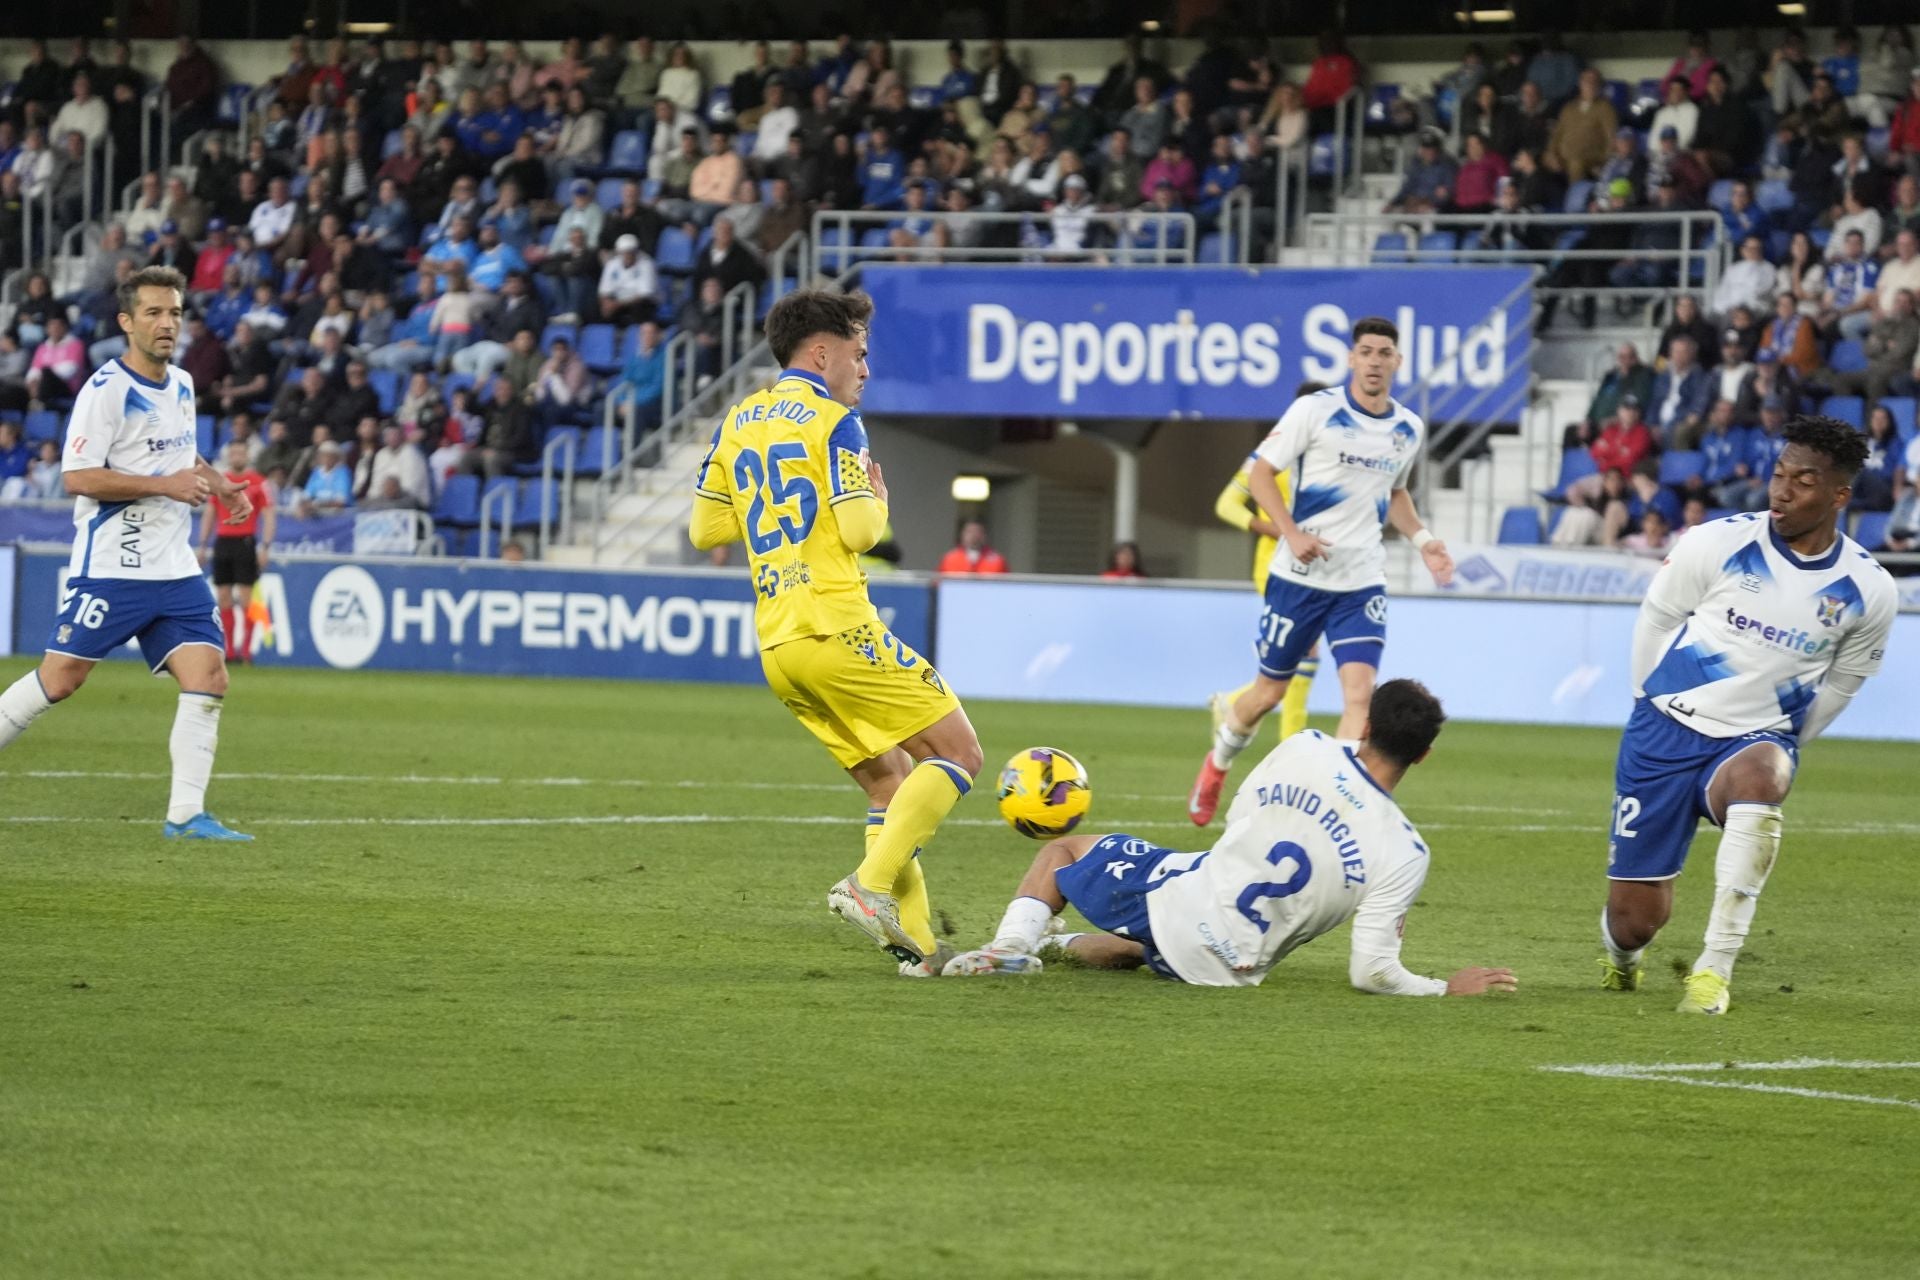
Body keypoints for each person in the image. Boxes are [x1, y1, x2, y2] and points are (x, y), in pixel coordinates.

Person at [687, 289, 984, 975]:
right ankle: (868, 886)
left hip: (780, 645)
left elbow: (706, 529)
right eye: (860, 353)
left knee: (890, 783)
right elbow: (858, 532)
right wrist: (875, 502)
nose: (865, 370)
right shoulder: (835, 420)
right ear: (821, 353)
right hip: (837, 625)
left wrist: (769, 504)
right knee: (959, 753)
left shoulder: (739, 419)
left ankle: (917, 947)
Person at [945, 680, 1519, 997]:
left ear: (1365, 725)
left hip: (1196, 901)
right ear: (1423, 755)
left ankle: (1010, 950)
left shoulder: (1308, 746)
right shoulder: (1407, 853)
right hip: (1234, 968)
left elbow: (1241, 818)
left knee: (1066, 850)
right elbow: (1372, 971)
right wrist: (1444, 988)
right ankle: (1053, 946)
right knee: (1150, 948)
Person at [1598, 416, 1895, 1016]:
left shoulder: (1868, 588)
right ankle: (1621, 959)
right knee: (1635, 922)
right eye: (1778, 475)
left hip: (1751, 741)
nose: (1781, 491)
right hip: (1665, 729)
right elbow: (1658, 617)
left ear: (1839, 495)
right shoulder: (1718, 543)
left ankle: (1714, 969)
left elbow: (1844, 681)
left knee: (1764, 780)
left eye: (1803, 482)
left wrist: (1789, 741)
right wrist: (1645, 700)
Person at [0, 267, 252, 840]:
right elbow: (78, 477)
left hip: (175, 565)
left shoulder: (184, 384)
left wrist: (218, 483)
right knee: (59, 680)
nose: (167, 325)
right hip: (114, 567)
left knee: (209, 675)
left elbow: (180, 458)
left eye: (175, 314)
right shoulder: (106, 391)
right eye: (154, 314)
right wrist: (165, 488)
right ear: (126, 322)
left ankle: (187, 816)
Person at [1188, 318, 1453, 826]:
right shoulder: (1314, 410)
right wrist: (1290, 531)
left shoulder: (1407, 429)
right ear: (1352, 359)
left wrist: (1423, 540)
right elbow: (1262, 474)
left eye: (1385, 353)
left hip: (1360, 582)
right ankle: (1217, 763)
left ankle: (1336, 807)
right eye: (1367, 352)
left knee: (1359, 695)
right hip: (1298, 579)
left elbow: (1394, 492)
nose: (1375, 361)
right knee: (1268, 693)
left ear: (1397, 362)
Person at [197, 438, 275, 662]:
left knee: (246, 598)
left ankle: (247, 651)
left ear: (247, 456)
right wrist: (203, 545)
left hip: (246, 542)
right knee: (223, 597)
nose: (237, 457)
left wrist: (266, 546)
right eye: (234, 453)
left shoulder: (258, 482)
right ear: (229, 456)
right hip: (223, 541)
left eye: (241, 453)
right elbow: (210, 514)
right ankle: (230, 651)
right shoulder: (221, 482)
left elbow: (269, 515)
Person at [937, 520, 1008, 574]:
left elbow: (1007, 585)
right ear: (961, 534)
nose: (974, 536)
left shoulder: (997, 560)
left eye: (978, 531)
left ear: (984, 535)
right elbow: (938, 583)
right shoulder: (950, 558)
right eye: (969, 531)